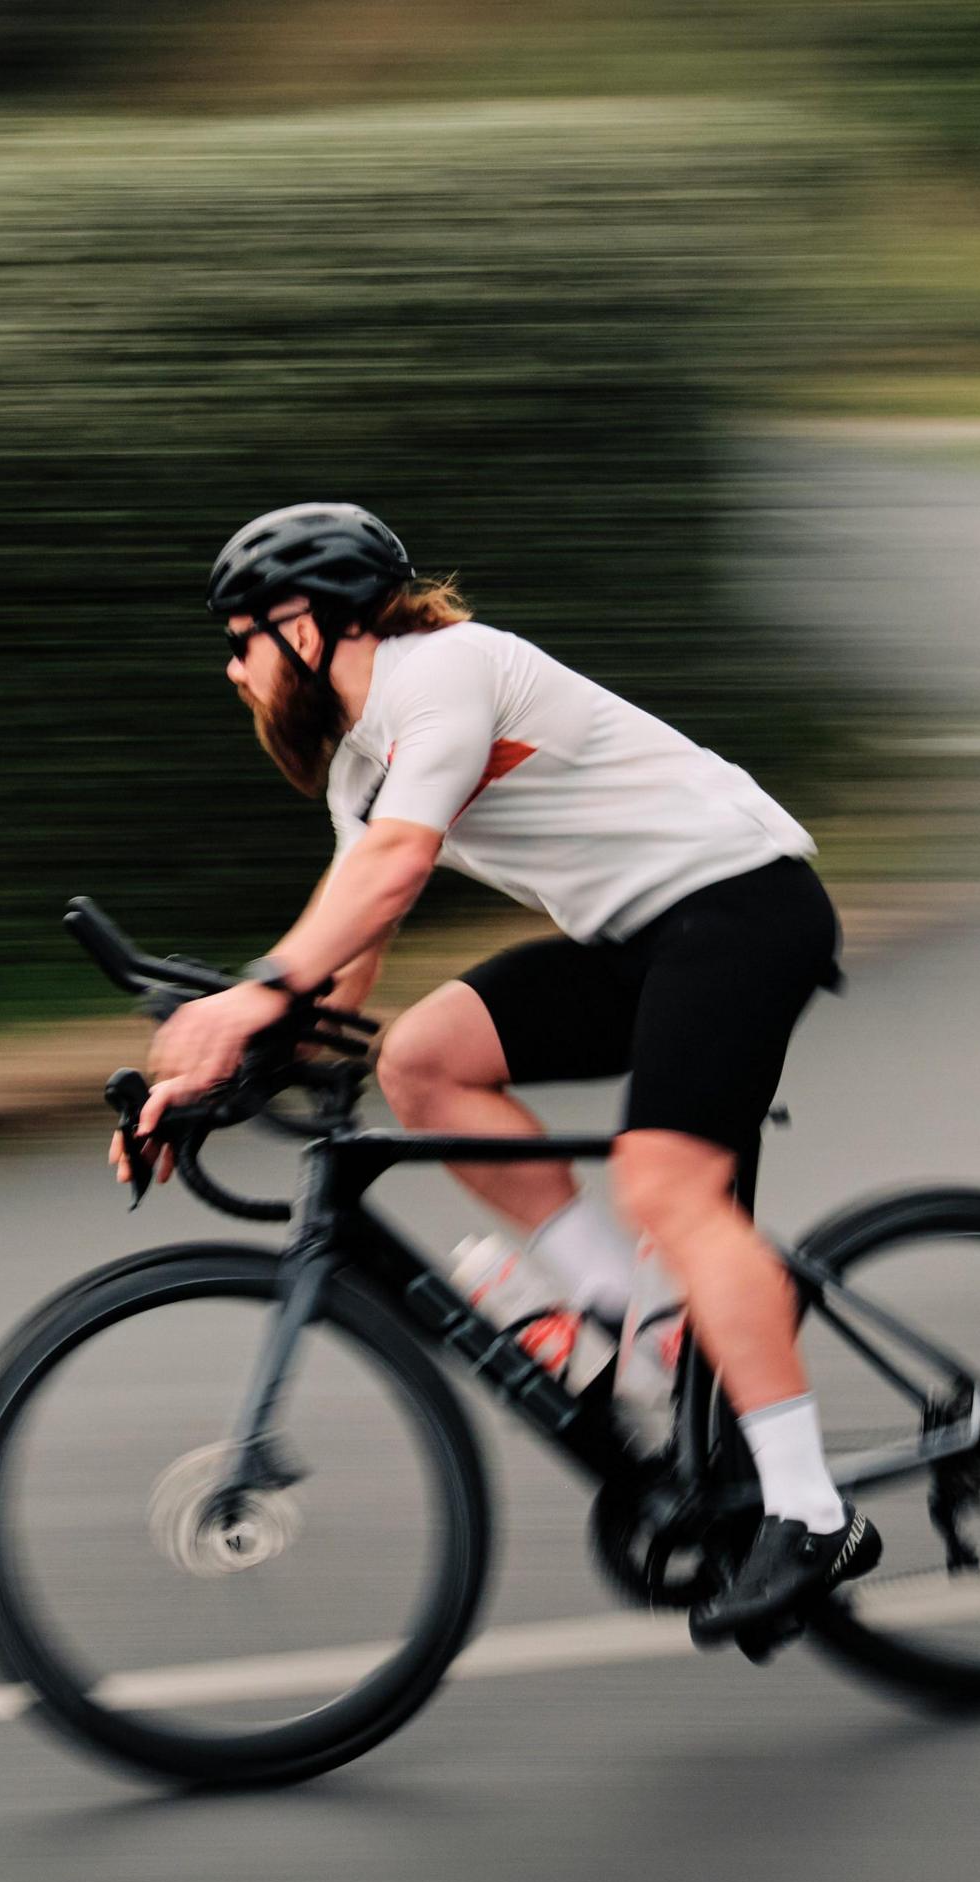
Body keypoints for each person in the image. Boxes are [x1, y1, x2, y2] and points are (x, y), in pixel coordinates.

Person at [133, 502, 871, 1649]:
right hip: (640, 940)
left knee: (667, 1187)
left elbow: (393, 871)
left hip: (741, 906)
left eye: (240, 639)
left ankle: (808, 1511)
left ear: (307, 624)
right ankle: (640, 1319)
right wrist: (203, 1087)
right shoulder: (358, 773)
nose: (230, 668)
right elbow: (340, 978)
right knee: (421, 1059)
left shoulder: (447, 672)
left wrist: (247, 995)